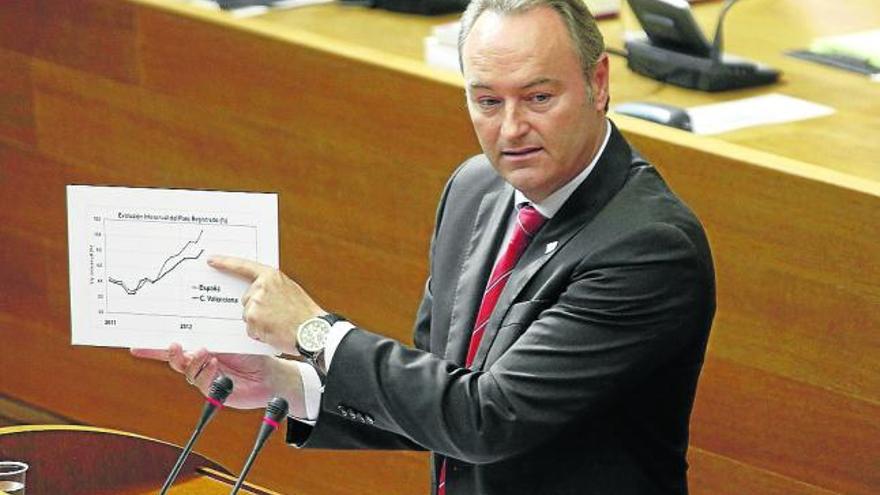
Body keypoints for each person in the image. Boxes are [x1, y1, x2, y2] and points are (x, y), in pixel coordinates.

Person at [134, 1, 715, 493]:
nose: (511, 129)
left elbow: (485, 418)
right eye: (487, 102)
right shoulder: (476, 188)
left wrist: (315, 333)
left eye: (538, 98)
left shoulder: (648, 248)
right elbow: (436, 393)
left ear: (599, 84)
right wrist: (287, 383)